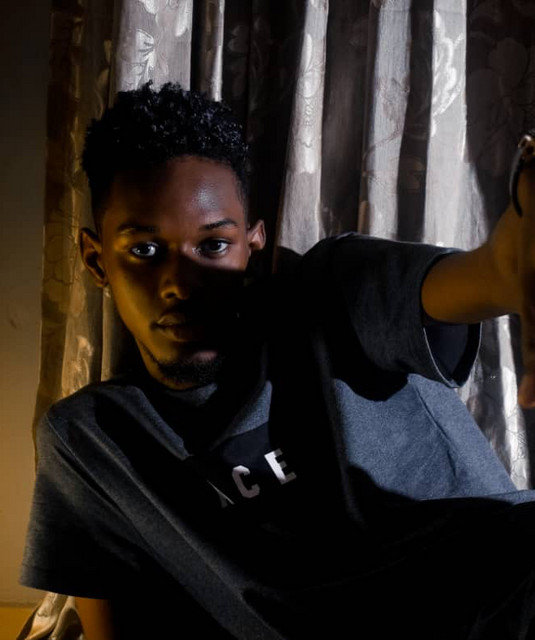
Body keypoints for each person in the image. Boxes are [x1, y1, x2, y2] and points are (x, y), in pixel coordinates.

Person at [19, 81, 535, 639]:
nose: (180, 285)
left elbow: (485, 276)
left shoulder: (326, 294)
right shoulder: (93, 439)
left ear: (253, 244)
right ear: (96, 261)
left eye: (213, 245)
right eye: (144, 250)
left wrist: (509, 267)